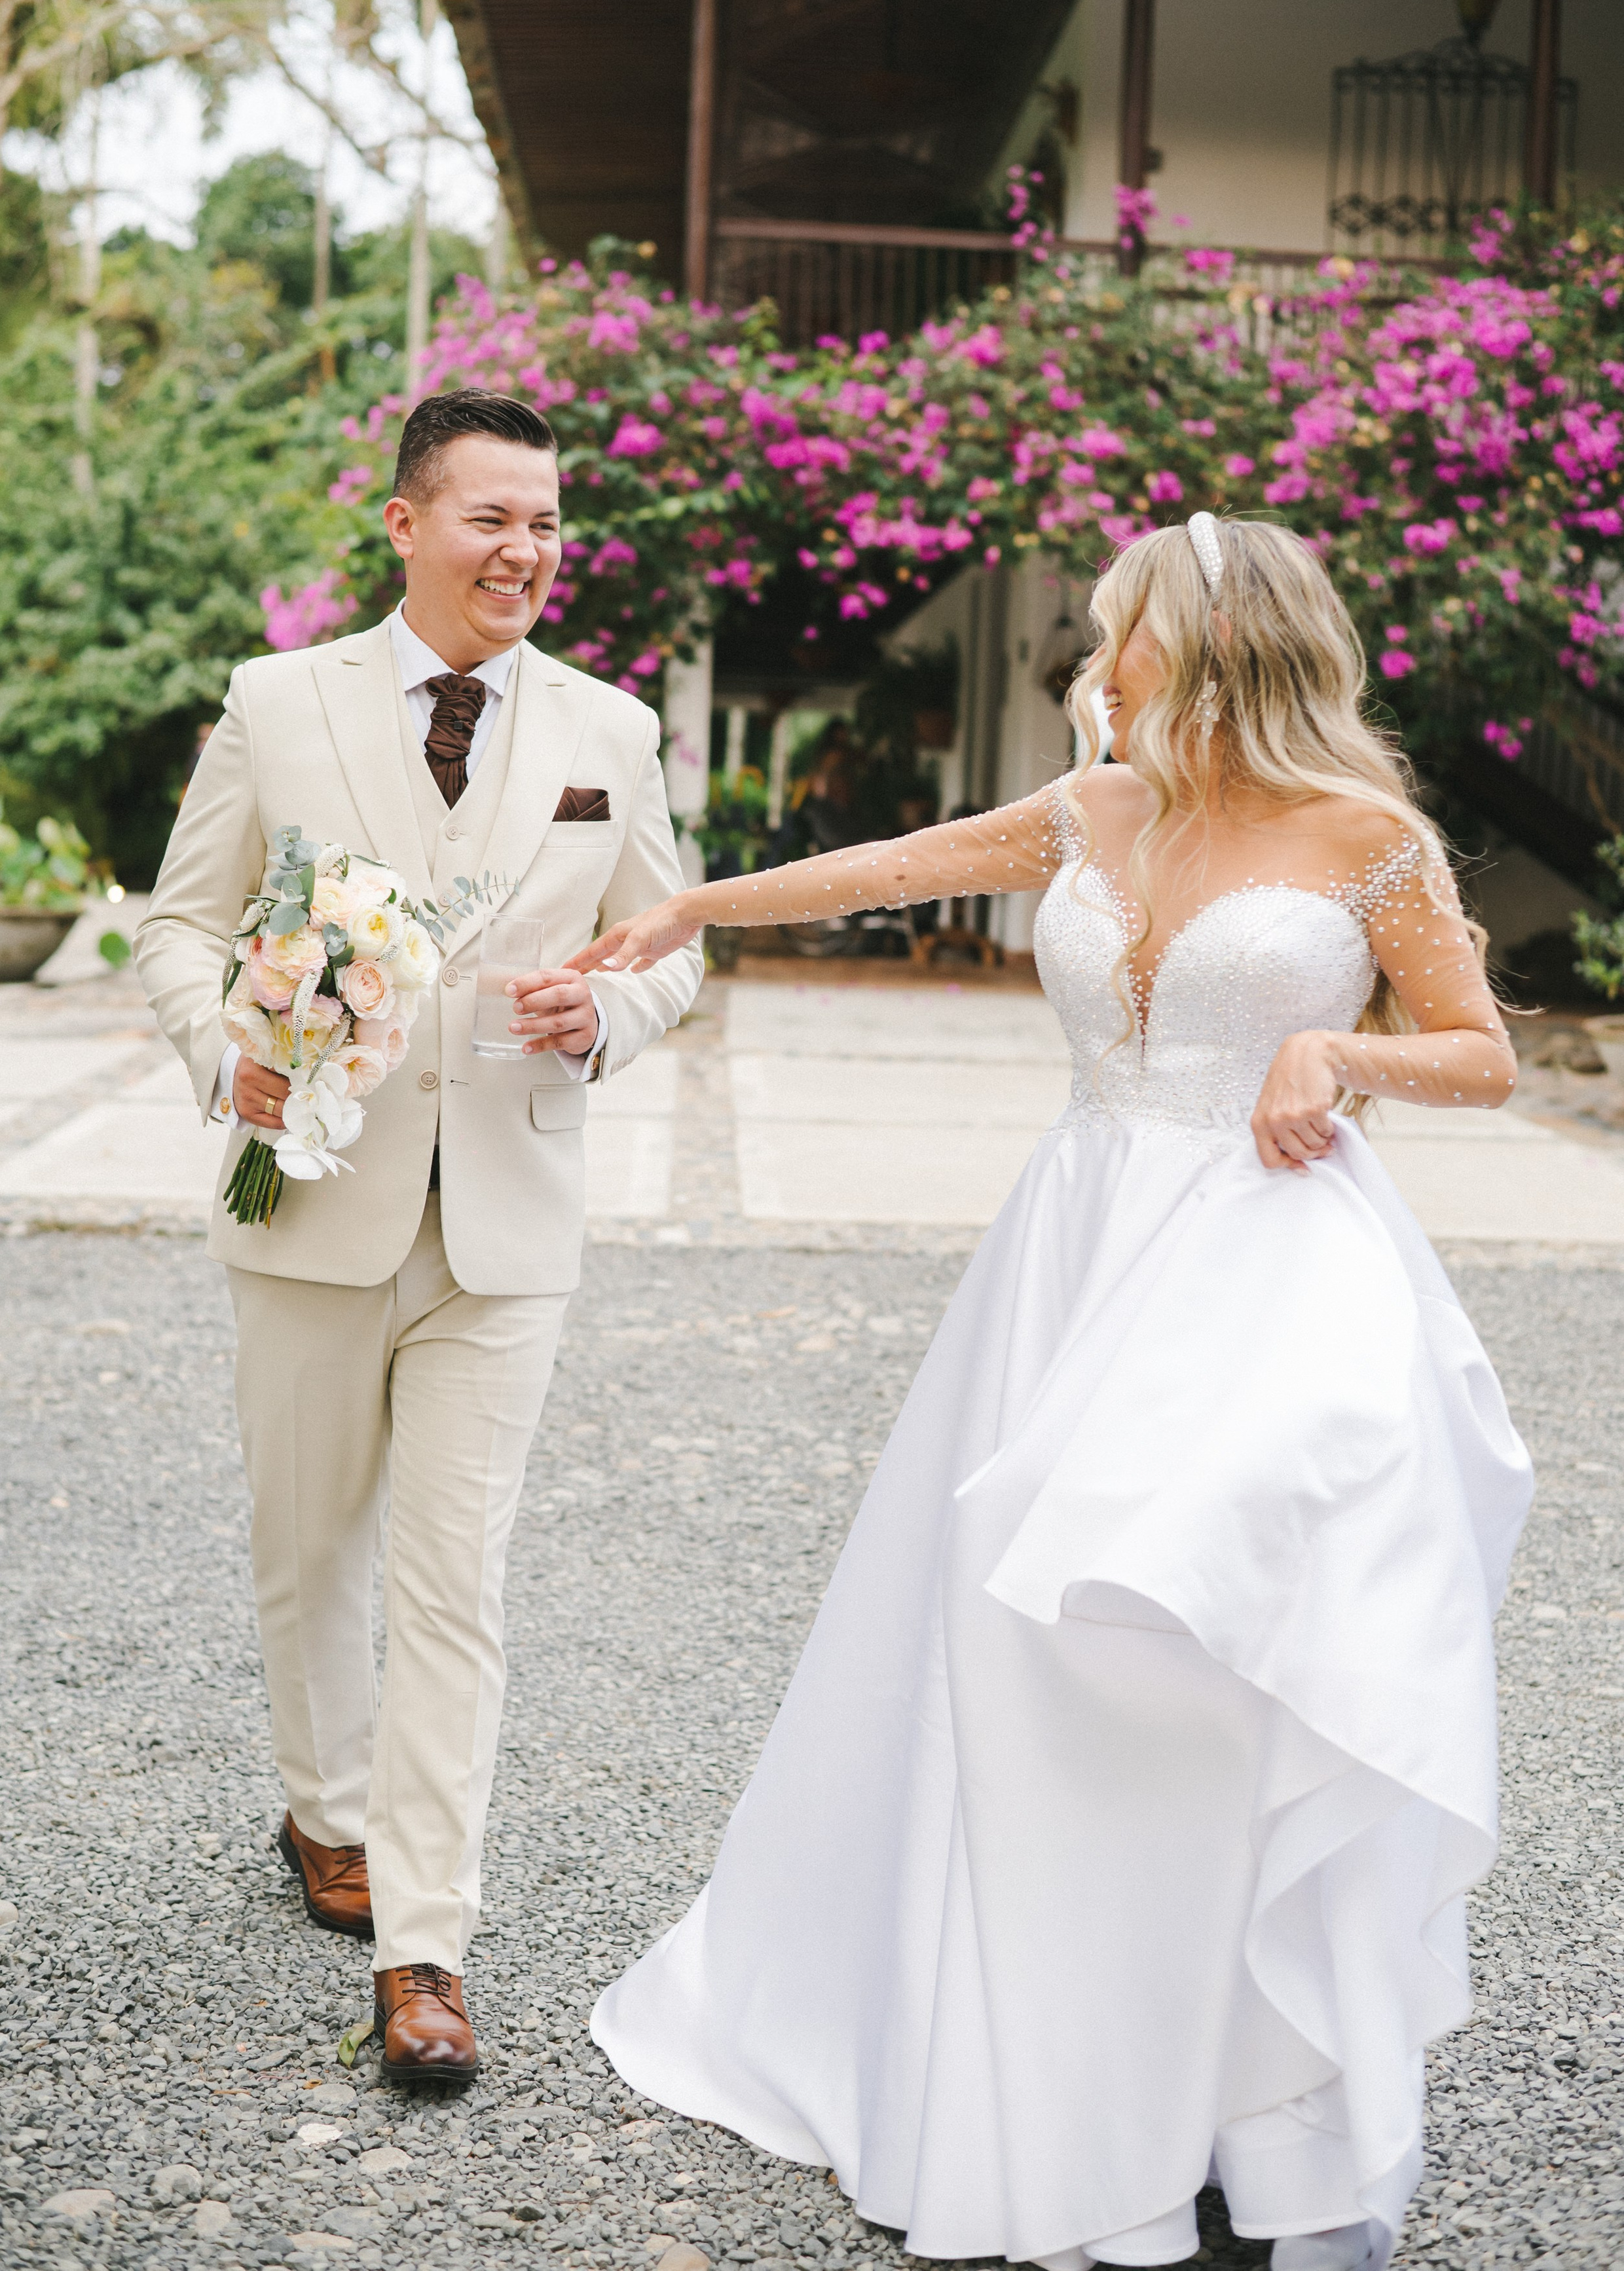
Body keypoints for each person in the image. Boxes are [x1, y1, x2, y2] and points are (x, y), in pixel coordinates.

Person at [574, 515, 1533, 2271]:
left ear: (1216, 640)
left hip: (1271, 1273)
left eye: (1124, 635)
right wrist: (691, 906)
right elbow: (879, 868)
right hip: (1070, 1257)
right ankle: (1056, 2077)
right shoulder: (1093, 808)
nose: (1101, 664)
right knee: (1019, 1659)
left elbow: (1484, 1052)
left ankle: (1259, 2095)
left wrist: (1338, 1047)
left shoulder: (1372, 842)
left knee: (1222, 1653)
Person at [136, 390, 703, 2086]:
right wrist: (219, 1046)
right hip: (307, 1193)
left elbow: (668, 945)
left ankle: (425, 1947)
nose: (526, 550)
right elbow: (177, 926)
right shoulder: (276, 702)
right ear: (403, 524)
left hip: (507, 1227)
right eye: (491, 519)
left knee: (458, 1583)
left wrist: (603, 1019)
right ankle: (324, 1810)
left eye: (547, 523)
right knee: (312, 1546)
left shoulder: (616, 726)